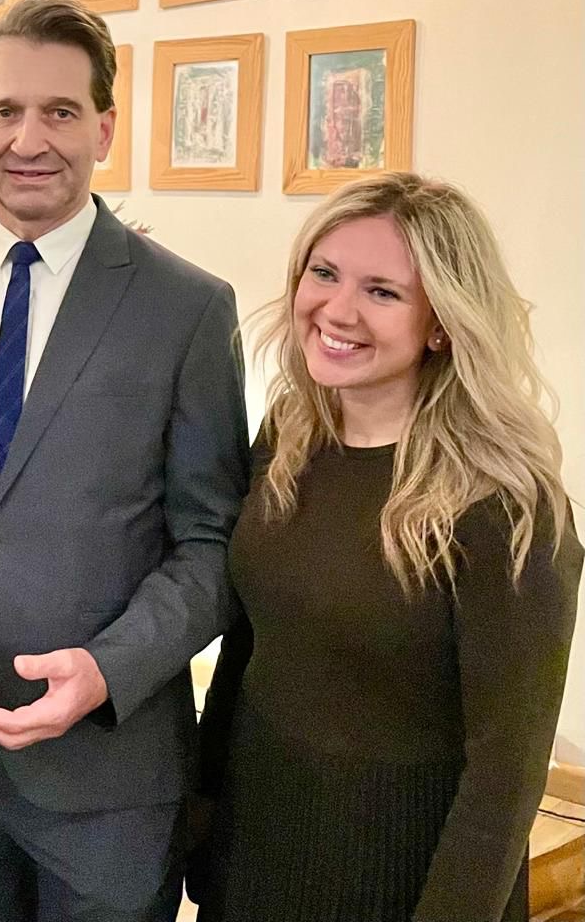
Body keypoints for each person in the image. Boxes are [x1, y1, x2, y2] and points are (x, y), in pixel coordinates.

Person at [0, 0, 250, 922]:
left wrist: (107, 668)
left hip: (110, 781)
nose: (29, 139)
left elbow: (211, 543)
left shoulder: (188, 308)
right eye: (5, 111)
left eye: (60, 111)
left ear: (104, 128)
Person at [192, 173, 581, 922]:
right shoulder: (289, 435)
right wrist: (204, 821)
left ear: (442, 323)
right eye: (325, 273)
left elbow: (505, 773)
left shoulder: (504, 505)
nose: (338, 310)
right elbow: (250, 646)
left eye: (382, 291)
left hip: (402, 874)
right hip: (259, 847)